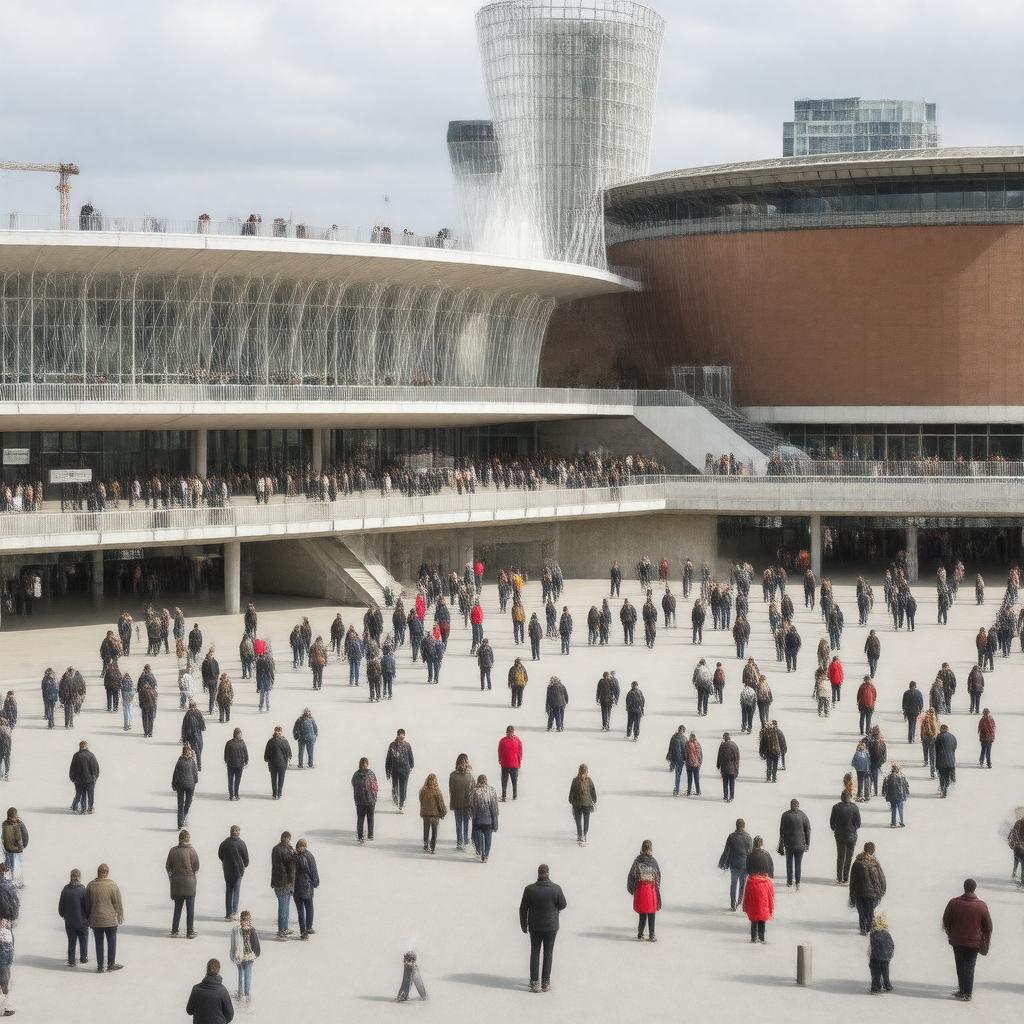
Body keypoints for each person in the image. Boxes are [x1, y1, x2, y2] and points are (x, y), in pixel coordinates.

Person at [941, 879, 992, 1002]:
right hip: (974, 942)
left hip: (957, 940)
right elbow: (989, 926)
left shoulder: (953, 903)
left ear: (964, 887)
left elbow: (945, 920)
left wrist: (950, 933)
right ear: (974, 889)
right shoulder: (981, 905)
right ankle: (967, 993)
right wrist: (984, 939)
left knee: (960, 964)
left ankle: (961, 990)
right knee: (970, 966)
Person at [519, 864, 567, 993]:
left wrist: (524, 925)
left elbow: (523, 909)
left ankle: (534, 982)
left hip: (534, 926)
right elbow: (563, 904)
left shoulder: (529, 889)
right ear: (548, 873)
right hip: (551, 927)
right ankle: (545, 982)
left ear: (538, 873)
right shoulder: (556, 889)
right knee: (548, 953)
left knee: (535, 952)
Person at [84, 864, 123, 973]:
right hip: (110, 920)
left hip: (96, 920)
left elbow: (87, 904)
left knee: (98, 943)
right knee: (112, 942)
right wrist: (117, 914)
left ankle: (100, 966)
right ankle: (111, 964)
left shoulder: (91, 886)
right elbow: (117, 903)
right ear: (107, 872)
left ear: (98, 872)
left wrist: (88, 917)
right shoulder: (113, 885)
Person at [166, 829, 200, 939]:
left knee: (177, 908)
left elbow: (168, 866)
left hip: (177, 883)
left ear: (179, 838)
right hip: (190, 883)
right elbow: (196, 867)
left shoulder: (172, 851)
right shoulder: (192, 851)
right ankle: (190, 932)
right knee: (190, 910)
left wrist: (172, 877)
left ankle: (174, 930)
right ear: (188, 838)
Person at [627, 840, 662, 941]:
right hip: (651, 890)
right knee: (651, 912)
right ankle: (651, 935)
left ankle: (640, 934)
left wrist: (632, 889)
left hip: (641, 890)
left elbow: (632, 875)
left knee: (642, 913)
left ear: (642, 848)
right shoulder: (653, 861)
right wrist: (657, 888)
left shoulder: (638, 861)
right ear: (651, 849)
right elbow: (658, 875)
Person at [849, 841, 886, 935]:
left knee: (861, 913)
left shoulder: (857, 863)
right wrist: (882, 890)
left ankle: (863, 928)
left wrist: (852, 894)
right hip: (873, 893)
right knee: (870, 912)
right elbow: (882, 878)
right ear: (873, 851)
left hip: (859, 892)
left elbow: (852, 880)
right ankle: (869, 929)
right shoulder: (876, 863)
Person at [719, 818, 753, 911]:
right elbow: (751, 853)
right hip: (744, 864)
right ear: (744, 826)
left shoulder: (731, 837)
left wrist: (723, 864)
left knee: (733, 884)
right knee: (742, 884)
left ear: (736, 826)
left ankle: (733, 903)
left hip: (734, 863)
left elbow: (726, 851)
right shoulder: (748, 837)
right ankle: (739, 901)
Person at [185, 958, 234, 1023]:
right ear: (218, 971)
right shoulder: (222, 991)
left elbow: (189, 1011)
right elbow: (230, 1015)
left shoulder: (196, 989)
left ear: (207, 970)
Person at [743, 846, 775, 944]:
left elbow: (746, 895)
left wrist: (745, 907)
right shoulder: (767, 882)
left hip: (753, 907)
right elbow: (771, 896)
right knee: (762, 921)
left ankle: (753, 938)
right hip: (763, 907)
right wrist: (771, 909)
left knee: (754, 922)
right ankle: (762, 938)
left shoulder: (750, 881)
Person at [58, 868, 89, 967]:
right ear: (79, 877)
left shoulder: (65, 890)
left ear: (71, 877)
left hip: (70, 922)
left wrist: (64, 916)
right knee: (83, 940)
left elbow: (60, 908)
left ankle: (71, 960)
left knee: (71, 941)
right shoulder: (83, 890)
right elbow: (87, 906)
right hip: (82, 921)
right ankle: (83, 958)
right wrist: (87, 917)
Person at [229, 911, 260, 1006]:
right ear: (241, 920)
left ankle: (242, 993)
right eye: (245, 920)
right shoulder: (249, 930)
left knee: (243, 975)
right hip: (245, 956)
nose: (246, 922)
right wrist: (257, 954)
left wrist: (233, 955)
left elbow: (233, 944)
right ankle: (245, 994)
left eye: (248, 920)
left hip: (244, 956)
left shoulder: (238, 930)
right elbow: (256, 945)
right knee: (246, 975)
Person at [218, 825, 249, 922]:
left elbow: (220, 854)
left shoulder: (224, 843)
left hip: (227, 871)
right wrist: (244, 865)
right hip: (238, 871)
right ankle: (235, 912)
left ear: (230, 832)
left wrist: (225, 861)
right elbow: (246, 858)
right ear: (238, 832)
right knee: (236, 891)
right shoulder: (241, 844)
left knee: (229, 891)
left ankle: (228, 913)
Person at [830, 790, 861, 884]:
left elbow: (832, 823)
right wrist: (853, 829)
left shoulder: (836, 808)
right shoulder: (855, 808)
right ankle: (846, 878)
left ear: (841, 797)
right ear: (849, 798)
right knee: (849, 858)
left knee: (840, 857)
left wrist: (836, 829)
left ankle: (839, 878)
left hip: (839, 835)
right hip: (852, 836)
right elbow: (858, 823)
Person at [779, 798, 810, 889]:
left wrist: (782, 843)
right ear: (798, 805)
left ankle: (789, 882)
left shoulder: (785, 815)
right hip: (800, 844)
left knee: (789, 863)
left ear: (790, 805)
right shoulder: (803, 815)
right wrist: (807, 844)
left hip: (789, 844)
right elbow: (808, 831)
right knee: (798, 863)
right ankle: (798, 882)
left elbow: (781, 831)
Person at [270, 832, 296, 940]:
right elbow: (290, 861)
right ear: (284, 838)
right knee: (283, 907)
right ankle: (281, 930)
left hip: (280, 881)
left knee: (285, 906)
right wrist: (293, 853)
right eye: (288, 839)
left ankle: (284, 928)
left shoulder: (276, 848)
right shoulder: (283, 850)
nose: (289, 841)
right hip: (284, 882)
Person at [292, 839, 319, 939]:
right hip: (307, 886)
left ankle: (303, 932)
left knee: (301, 910)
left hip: (297, 888)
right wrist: (316, 882)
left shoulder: (294, 857)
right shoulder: (309, 856)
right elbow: (313, 871)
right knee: (309, 907)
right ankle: (308, 928)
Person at [469, 774, 499, 863]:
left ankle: (481, 852)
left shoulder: (474, 792)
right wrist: (495, 824)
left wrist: (474, 819)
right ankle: (486, 855)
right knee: (488, 839)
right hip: (488, 821)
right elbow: (494, 809)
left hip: (478, 820)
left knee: (479, 838)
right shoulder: (491, 791)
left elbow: (473, 808)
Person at [448, 754, 474, 852]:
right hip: (467, 804)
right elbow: (473, 790)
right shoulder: (470, 776)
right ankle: (466, 840)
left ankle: (459, 842)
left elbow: (451, 789)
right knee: (466, 823)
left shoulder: (452, 775)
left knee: (458, 823)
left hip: (456, 802)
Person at [385, 729, 414, 811]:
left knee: (403, 787)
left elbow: (411, 756)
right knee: (395, 786)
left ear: (405, 735)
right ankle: (396, 801)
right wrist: (387, 771)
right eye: (400, 735)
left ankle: (401, 803)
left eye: (403, 735)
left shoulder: (407, 745)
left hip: (405, 770)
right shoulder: (392, 745)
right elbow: (388, 758)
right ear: (397, 735)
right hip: (394, 769)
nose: (402, 736)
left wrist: (411, 766)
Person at [568, 764, 596, 845]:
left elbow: (571, 792)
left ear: (579, 770)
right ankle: (585, 834)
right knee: (586, 820)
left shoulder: (575, 780)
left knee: (578, 821)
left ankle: (580, 836)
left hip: (577, 804)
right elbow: (593, 791)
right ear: (586, 771)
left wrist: (570, 800)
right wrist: (594, 800)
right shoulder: (589, 780)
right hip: (587, 804)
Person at [418, 775, 447, 855]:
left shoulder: (423, 790)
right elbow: (440, 804)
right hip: (435, 815)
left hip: (425, 814)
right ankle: (432, 847)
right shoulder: (437, 791)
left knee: (426, 830)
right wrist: (443, 812)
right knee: (434, 831)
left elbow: (421, 801)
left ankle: (426, 844)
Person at [351, 757, 378, 844]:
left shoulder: (356, 774)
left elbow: (353, 783)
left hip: (360, 800)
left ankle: (360, 836)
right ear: (367, 764)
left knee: (360, 818)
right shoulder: (371, 774)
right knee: (370, 818)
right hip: (370, 800)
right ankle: (370, 835)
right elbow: (375, 785)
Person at [172, 746, 199, 829]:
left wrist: (173, 784)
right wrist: (195, 781)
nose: (190, 755)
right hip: (190, 786)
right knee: (187, 803)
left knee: (180, 805)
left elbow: (175, 774)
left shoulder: (179, 761)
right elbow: (195, 774)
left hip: (180, 785)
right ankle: (183, 818)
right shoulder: (192, 761)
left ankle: (180, 823)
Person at [69, 740, 100, 814]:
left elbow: (72, 768)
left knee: (81, 793)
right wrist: (95, 777)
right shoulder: (91, 755)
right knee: (90, 794)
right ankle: (90, 808)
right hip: (89, 779)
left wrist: (72, 777)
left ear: (80, 747)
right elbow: (95, 768)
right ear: (87, 747)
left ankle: (83, 808)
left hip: (79, 779)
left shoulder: (76, 755)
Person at [868, 912, 895, 994]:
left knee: (875, 973)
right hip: (885, 958)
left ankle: (875, 986)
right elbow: (891, 945)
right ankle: (887, 985)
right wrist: (889, 955)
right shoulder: (887, 934)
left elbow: (871, 946)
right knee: (885, 973)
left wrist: (870, 955)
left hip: (875, 958)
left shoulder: (873, 934)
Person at [0, 812, 26, 890]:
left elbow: (24, 836)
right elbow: (24, 835)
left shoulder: (6, 824)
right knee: (14, 866)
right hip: (12, 850)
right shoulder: (16, 824)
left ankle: (16, 882)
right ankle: (16, 882)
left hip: (11, 850)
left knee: (14, 866)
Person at [497, 725, 522, 801]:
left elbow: (499, 751)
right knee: (512, 781)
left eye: (510, 732)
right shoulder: (517, 740)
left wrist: (500, 760)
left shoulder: (502, 740)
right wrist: (519, 762)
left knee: (506, 781)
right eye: (509, 732)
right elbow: (520, 753)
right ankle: (512, 796)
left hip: (508, 764)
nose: (510, 734)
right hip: (511, 765)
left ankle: (507, 796)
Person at [881, 763, 909, 828]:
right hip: (900, 796)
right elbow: (906, 785)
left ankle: (893, 822)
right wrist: (906, 793)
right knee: (901, 809)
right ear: (898, 769)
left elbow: (884, 785)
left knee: (893, 809)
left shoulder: (888, 777)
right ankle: (902, 822)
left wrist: (883, 793)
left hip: (892, 796)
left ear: (892, 769)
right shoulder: (902, 776)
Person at [223, 729, 248, 802]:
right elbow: (245, 753)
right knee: (234, 781)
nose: (240, 735)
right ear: (236, 734)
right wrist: (246, 761)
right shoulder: (238, 743)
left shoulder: (231, 743)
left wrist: (226, 761)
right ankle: (234, 795)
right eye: (240, 734)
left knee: (234, 781)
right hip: (236, 765)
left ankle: (234, 795)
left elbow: (245, 753)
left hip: (235, 765)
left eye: (240, 734)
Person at [935, 723, 958, 797]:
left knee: (942, 776)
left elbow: (936, 748)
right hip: (950, 760)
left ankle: (943, 790)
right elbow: (954, 748)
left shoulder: (939, 737)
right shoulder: (953, 737)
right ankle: (946, 789)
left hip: (941, 761)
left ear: (941, 729)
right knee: (947, 776)